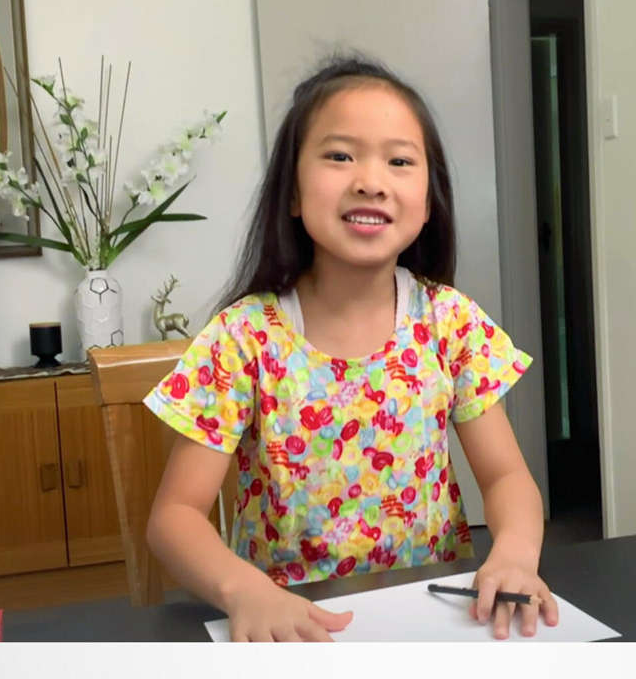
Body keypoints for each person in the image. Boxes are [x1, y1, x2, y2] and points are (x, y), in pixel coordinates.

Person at [141, 54, 559, 642]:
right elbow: (175, 517)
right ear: (292, 192)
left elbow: (507, 477)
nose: (370, 180)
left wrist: (514, 554)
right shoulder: (242, 337)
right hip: (289, 631)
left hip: (432, 619)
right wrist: (244, 591)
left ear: (428, 201)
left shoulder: (450, 322)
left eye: (399, 161)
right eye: (340, 156)